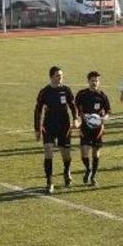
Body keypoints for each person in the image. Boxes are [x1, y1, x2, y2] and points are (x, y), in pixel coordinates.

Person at [34, 66, 79, 194]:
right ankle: (49, 182)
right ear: (51, 77)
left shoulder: (66, 90)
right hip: (48, 126)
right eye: (58, 75)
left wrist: (76, 119)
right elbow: (37, 110)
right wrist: (37, 128)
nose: (60, 77)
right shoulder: (45, 92)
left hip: (64, 126)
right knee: (48, 151)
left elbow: (73, 106)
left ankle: (66, 170)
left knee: (66, 154)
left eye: (61, 75)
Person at [74, 71, 111, 186]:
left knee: (95, 154)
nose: (95, 83)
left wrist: (105, 118)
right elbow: (75, 108)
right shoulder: (82, 94)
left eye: (97, 80)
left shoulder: (102, 96)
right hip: (85, 127)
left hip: (98, 129)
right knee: (84, 153)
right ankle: (88, 169)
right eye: (93, 80)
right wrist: (79, 117)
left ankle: (93, 176)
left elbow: (108, 111)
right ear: (88, 81)